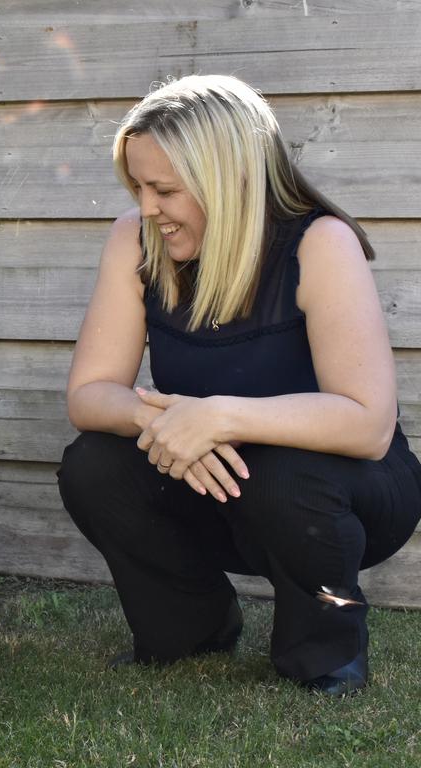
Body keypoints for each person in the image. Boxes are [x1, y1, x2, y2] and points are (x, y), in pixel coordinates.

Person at [57, 75, 421, 696]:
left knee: (285, 475)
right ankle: (189, 629)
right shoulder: (135, 239)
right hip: (221, 481)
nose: (147, 208)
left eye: (164, 189)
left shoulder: (320, 243)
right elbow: (89, 394)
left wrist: (221, 417)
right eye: (138, 187)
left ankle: (326, 653)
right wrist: (163, 423)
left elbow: (367, 423)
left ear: (226, 181)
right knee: (92, 463)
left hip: (343, 490)